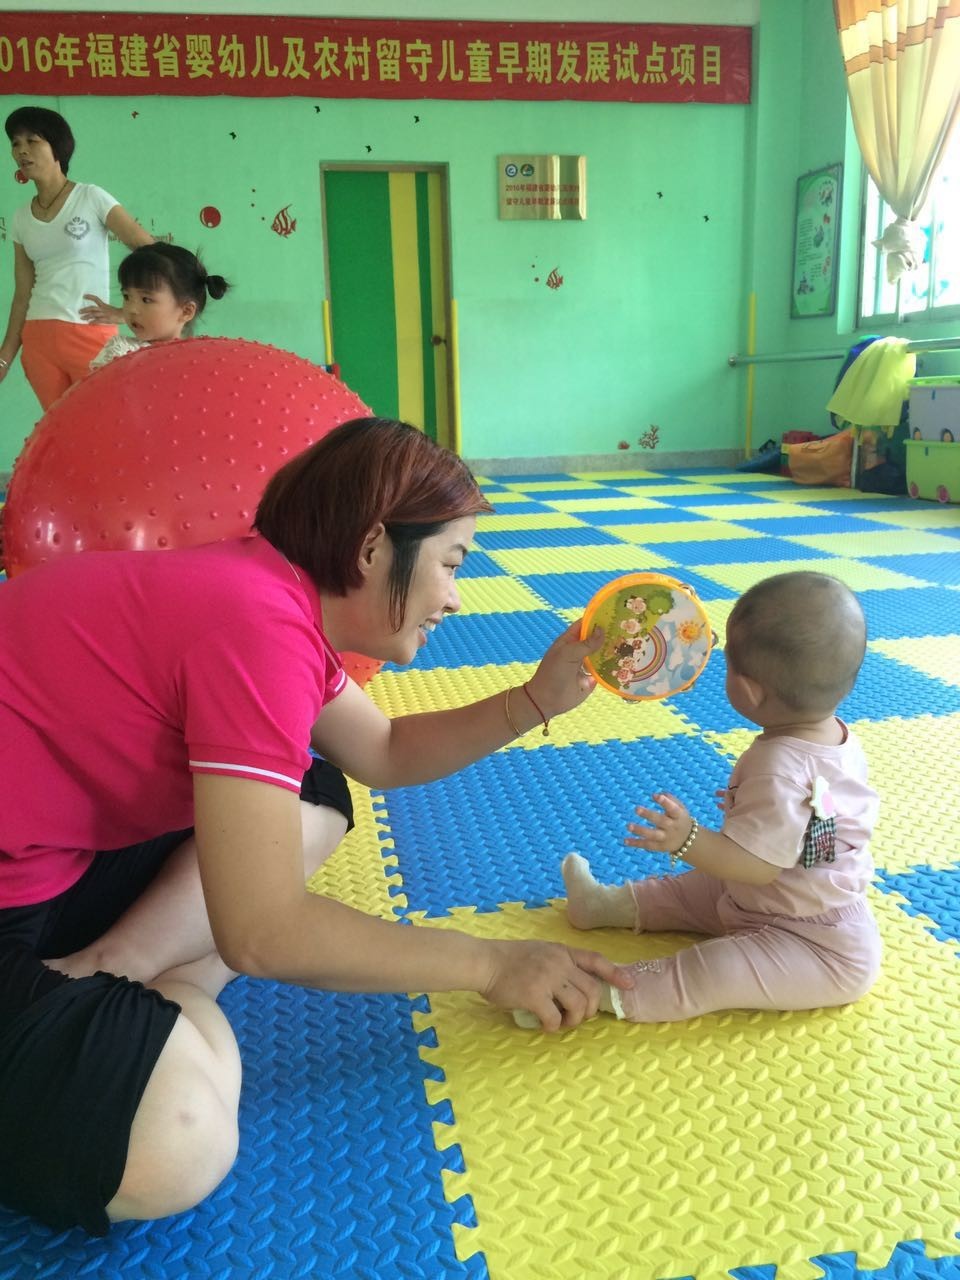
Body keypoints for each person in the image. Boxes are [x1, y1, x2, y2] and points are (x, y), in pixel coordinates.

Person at [0, 417, 630, 1237]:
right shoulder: (252, 623)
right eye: (451, 562)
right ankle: (152, 983)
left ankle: (113, 966)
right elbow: (265, 934)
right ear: (373, 547)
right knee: (177, 1143)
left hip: (56, 862)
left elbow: (388, 750)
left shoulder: (265, 590)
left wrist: (538, 698)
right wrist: (490, 963)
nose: (455, 596)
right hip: (20, 897)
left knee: (315, 788)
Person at [560, 570, 881, 1024]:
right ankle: (602, 905)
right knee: (693, 890)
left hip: (817, 946)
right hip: (767, 897)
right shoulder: (836, 739)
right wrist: (749, 814)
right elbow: (808, 822)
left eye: (728, 663)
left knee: (713, 970)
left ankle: (598, 993)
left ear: (749, 691)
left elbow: (757, 865)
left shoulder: (781, 770)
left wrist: (689, 839)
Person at [0, 106, 153, 410]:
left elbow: (150, 253)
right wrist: (4, 359)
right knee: (61, 433)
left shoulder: (90, 197)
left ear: (57, 146)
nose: (22, 151)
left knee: (104, 428)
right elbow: (22, 295)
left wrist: (128, 313)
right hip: (38, 340)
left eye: (33, 141)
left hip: (90, 336)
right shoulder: (19, 218)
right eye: (15, 143)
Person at [89, 243, 229, 370]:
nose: (132, 309)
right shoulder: (118, 352)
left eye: (146, 300)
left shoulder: (198, 358)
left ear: (186, 311)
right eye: (127, 297)